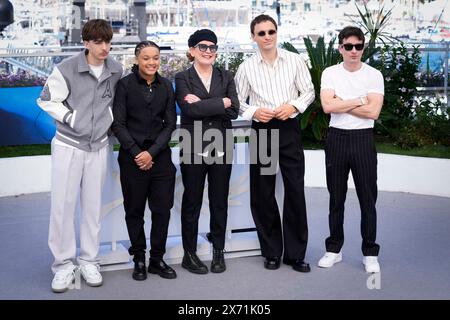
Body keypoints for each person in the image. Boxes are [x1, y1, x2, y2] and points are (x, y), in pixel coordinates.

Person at [37, 19, 123, 292]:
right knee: (63, 207)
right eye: (98, 42)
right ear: (86, 42)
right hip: (68, 146)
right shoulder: (66, 69)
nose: (104, 47)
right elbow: (47, 100)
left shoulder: (115, 69)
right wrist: (71, 118)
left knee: (93, 207)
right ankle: (63, 265)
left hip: (98, 146)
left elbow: (116, 103)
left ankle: (89, 261)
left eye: (108, 41)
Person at [235, 15, 315, 272]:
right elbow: (237, 101)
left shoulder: (294, 60)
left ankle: (296, 254)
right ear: (253, 37)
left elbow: (309, 91)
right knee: (263, 192)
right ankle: (271, 251)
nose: (267, 36)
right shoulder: (246, 67)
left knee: (294, 190)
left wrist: (293, 105)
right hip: (263, 130)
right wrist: (255, 112)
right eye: (261, 33)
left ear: (276, 33)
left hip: (289, 129)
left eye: (271, 31)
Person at [318, 26, 384, 273]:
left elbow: (373, 112)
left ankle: (370, 253)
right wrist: (358, 100)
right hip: (337, 138)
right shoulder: (330, 73)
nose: (354, 51)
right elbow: (326, 106)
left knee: (368, 199)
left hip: (363, 139)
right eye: (348, 46)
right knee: (336, 198)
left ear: (363, 48)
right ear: (340, 48)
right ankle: (334, 249)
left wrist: (341, 103)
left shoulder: (374, 75)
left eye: (358, 46)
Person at [175, 29, 239, 274]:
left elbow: (233, 110)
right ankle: (189, 254)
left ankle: (218, 252)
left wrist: (202, 104)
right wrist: (219, 103)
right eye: (203, 47)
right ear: (192, 50)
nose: (209, 51)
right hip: (193, 145)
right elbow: (188, 112)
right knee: (192, 201)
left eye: (213, 47)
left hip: (221, 143)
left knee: (219, 200)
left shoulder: (226, 75)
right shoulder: (182, 78)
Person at [111, 41, 177, 281]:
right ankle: (139, 257)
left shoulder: (167, 86)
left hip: (160, 159)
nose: (152, 62)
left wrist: (152, 152)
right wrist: (138, 152)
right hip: (132, 158)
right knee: (134, 210)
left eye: (156, 58)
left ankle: (157, 259)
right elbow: (118, 123)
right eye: (146, 58)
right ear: (137, 59)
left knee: (162, 210)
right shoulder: (124, 86)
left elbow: (170, 123)